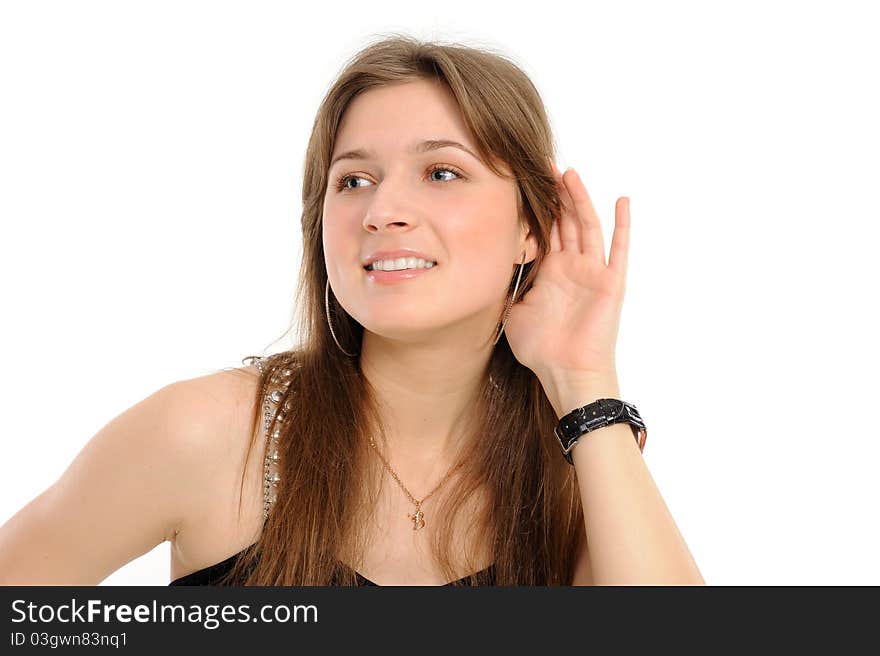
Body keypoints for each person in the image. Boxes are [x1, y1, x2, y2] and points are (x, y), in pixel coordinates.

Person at [0, 34, 704, 586]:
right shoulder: (209, 436)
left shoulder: (581, 469)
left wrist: (584, 381)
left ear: (532, 228)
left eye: (442, 172)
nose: (383, 211)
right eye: (354, 180)